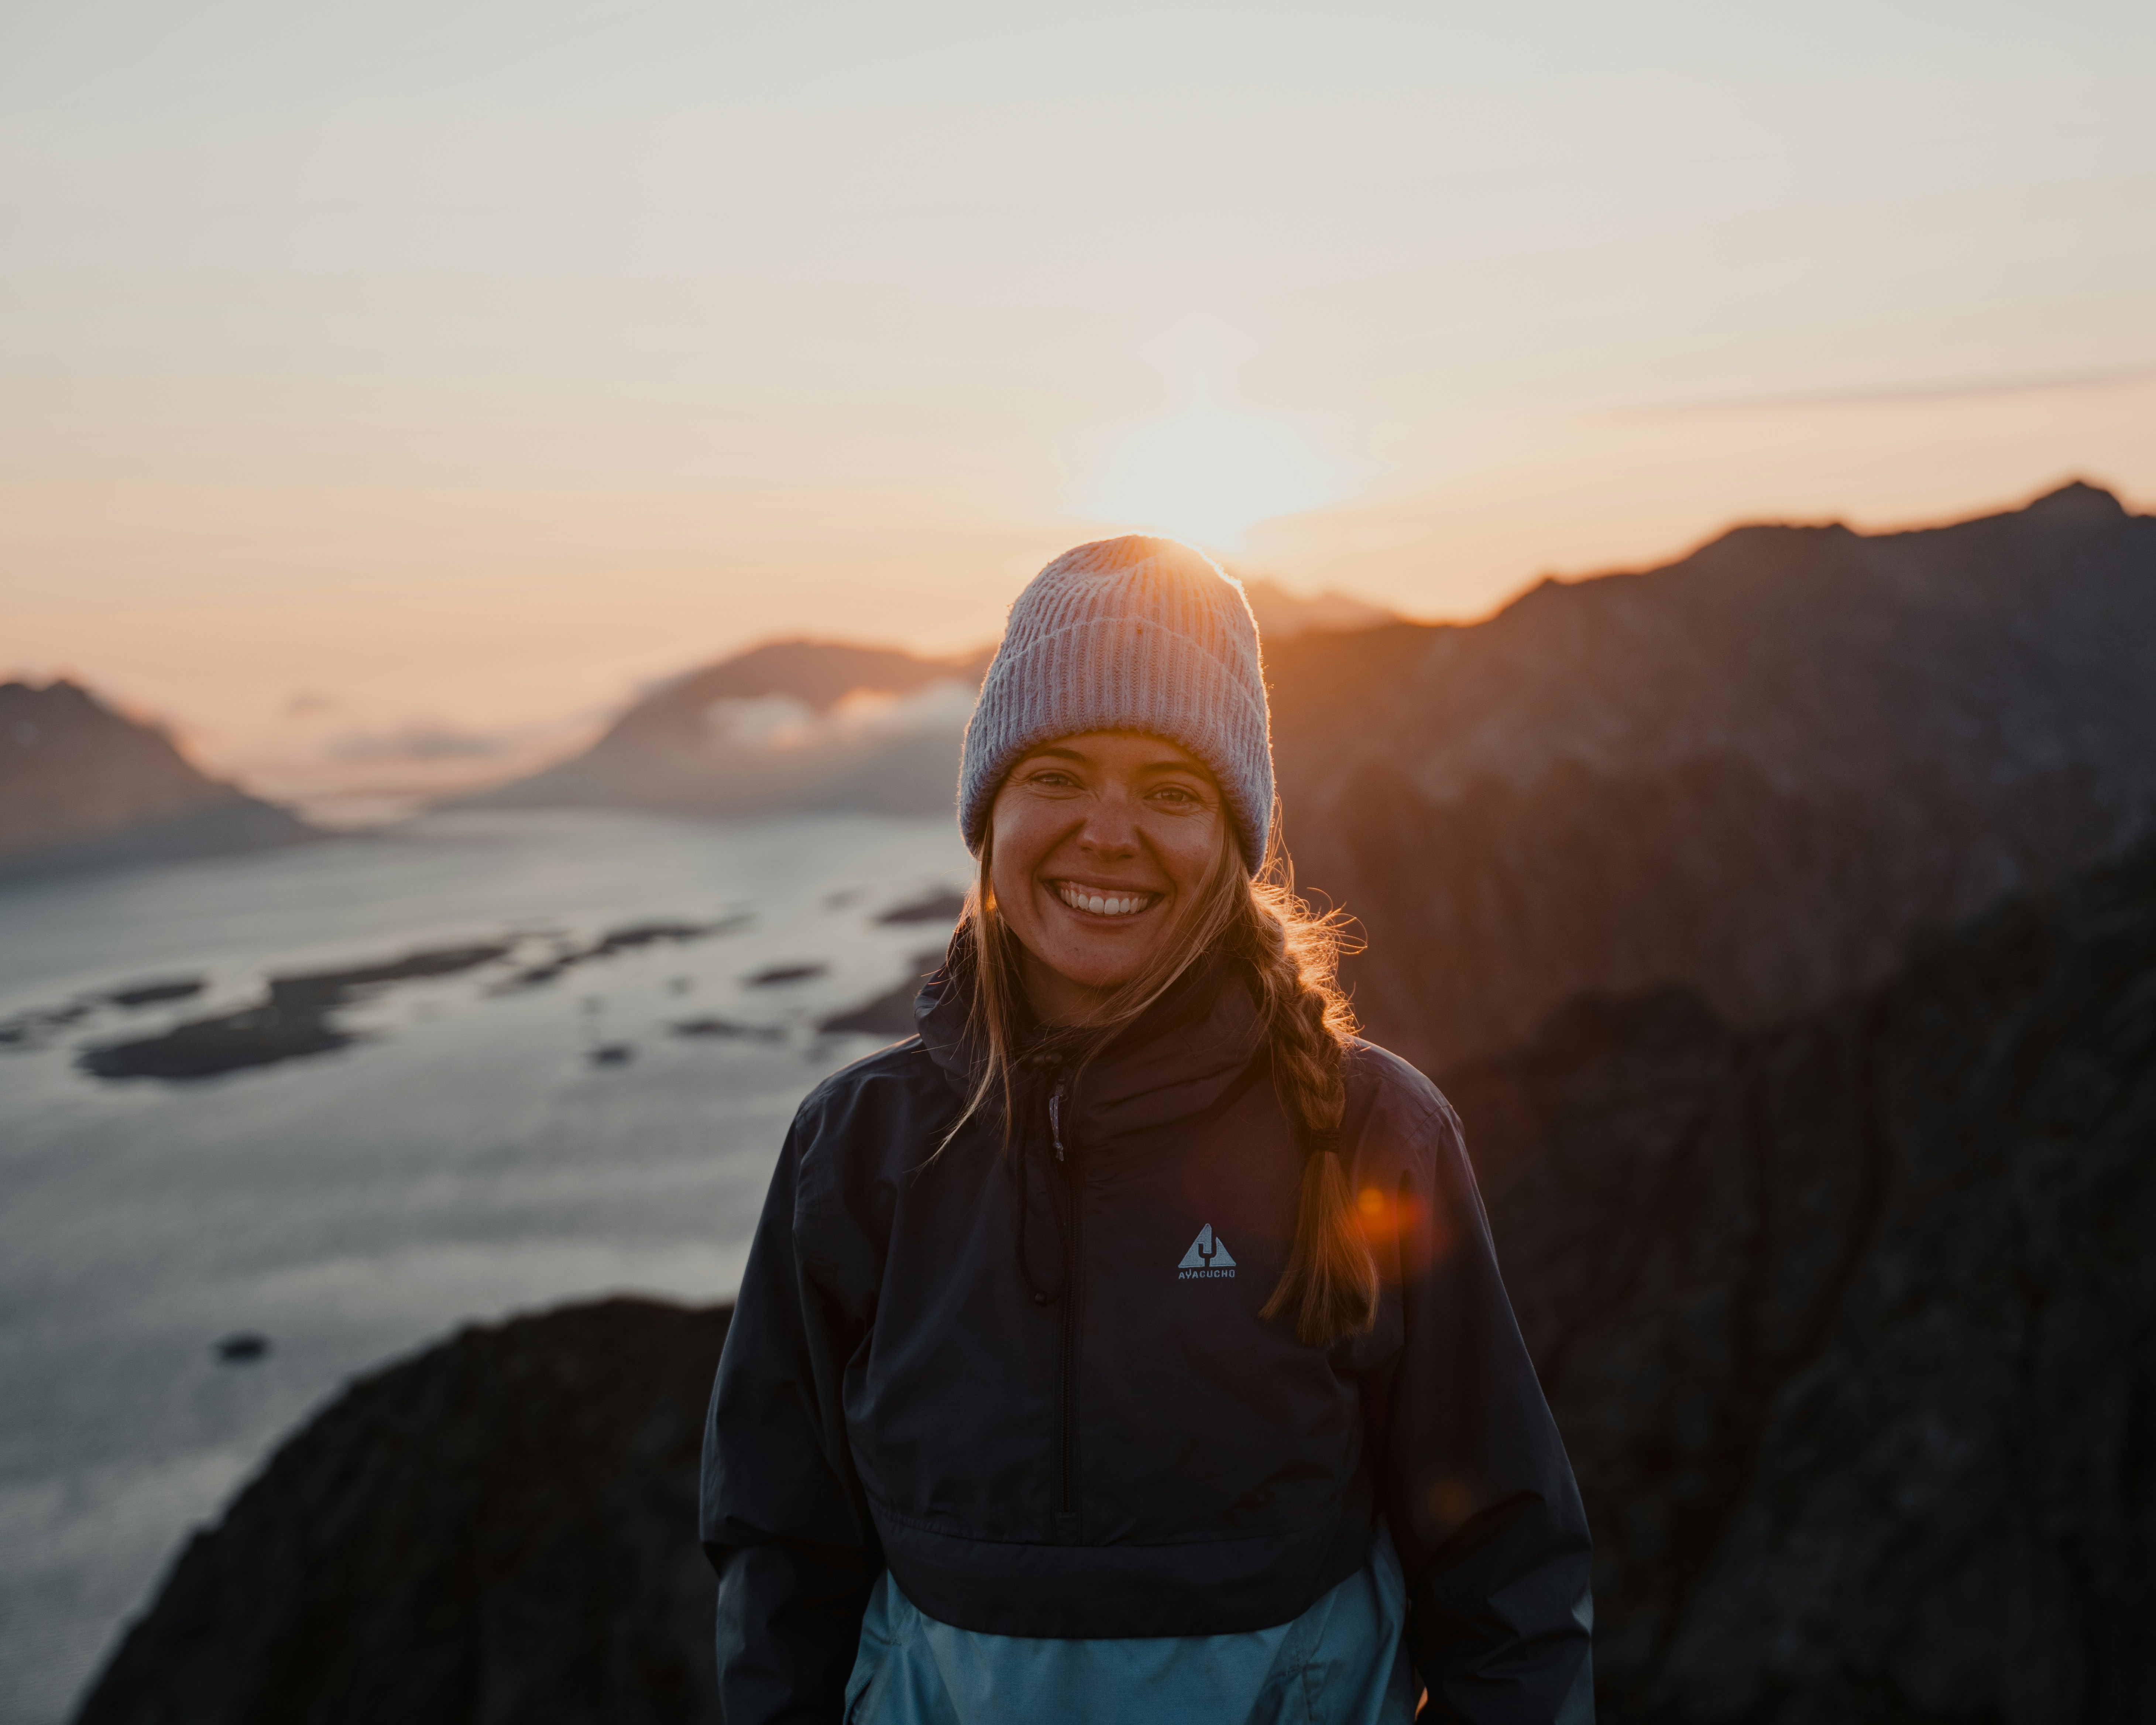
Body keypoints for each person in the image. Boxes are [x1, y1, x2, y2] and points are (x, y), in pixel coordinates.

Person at [700, 536, 1594, 1724]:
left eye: (1171, 791)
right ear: (988, 817)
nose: (1108, 834)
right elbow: (780, 1547)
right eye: (1057, 776)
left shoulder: (1375, 1130)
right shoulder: (858, 1150)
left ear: (1233, 842)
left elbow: (1504, 1562)